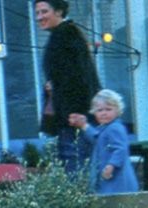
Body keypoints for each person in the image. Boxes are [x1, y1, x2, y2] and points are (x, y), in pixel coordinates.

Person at [35, 0, 98, 174]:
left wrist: (76, 114)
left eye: (44, 11)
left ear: (59, 11)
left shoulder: (66, 35)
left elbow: (79, 78)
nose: (39, 17)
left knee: (75, 171)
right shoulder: (65, 34)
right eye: (37, 13)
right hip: (71, 117)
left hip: (73, 119)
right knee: (74, 168)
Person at [68, 89, 138, 195]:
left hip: (118, 181)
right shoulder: (105, 128)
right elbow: (97, 139)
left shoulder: (115, 128)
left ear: (118, 110)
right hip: (108, 180)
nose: (104, 113)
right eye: (100, 110)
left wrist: (112, 165)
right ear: (94, 112)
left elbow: (120, 149)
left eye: (108, 109)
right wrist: (84, 125)